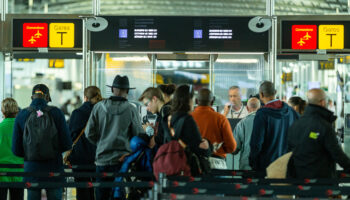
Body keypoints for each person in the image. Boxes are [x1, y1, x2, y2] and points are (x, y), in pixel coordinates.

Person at [85, 75, 145, 200]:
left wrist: (101, 143)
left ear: (112, 89)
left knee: (101, 195)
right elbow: (137, 135)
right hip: (121, 162)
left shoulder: (98, 107)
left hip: (101, 160)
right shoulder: (131, 110)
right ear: (127, 91)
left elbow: (88, 133)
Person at [12, 84, 72, 200]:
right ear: (48, 97)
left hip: (32, 170)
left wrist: (30, 153)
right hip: (54, 169)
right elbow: (67, 144)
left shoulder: (22, 115)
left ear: (32, 97)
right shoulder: (57, 113)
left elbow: (16, 150)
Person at [288, 89, 350, 178]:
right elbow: (336, 153)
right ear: (323, 102)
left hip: (300, 179)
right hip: (321, 180)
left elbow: (291, 151)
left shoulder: (296, 125)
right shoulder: (324, 125)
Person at [249, 81, 299, 175]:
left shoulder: (262, 114)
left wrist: (254, 163)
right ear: (275, 92)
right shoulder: (290, 111)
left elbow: (256, 143)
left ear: (261, 94)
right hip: (287, 165)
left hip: (267, 167)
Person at [160, 84, 212, 161]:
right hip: (185, 166)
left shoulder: (167, 119)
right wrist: (208, 147)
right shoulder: (187, 120)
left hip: (170, 163)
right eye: (194, 100)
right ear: (189, 100)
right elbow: (199, 149)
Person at [68, 86, 103, 200]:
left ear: (85, 97)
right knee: (98, 188)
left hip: (80, 158)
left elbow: (71, 136)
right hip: (99, 157)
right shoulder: (103, 112)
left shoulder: (78, 113)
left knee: (82, 190)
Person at [192, 88, 236, 169]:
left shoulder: (189, 118)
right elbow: (231, 147)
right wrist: (218, 149)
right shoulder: (221, 119)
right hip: (217, 163)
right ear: (212, 101)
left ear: (196, 101)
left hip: (194, 164)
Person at [0, 98, 24, 200]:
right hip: (19, 171)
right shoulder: (23, 128)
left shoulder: (0, 128)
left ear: (2, 111)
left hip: (1, 172)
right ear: (16, 110)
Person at [233, 97, 261, 170]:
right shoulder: (267, 121)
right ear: (260, 107)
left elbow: (235, 149)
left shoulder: (241, 123)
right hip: (264, 165)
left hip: (246, 165)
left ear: (247, 108)